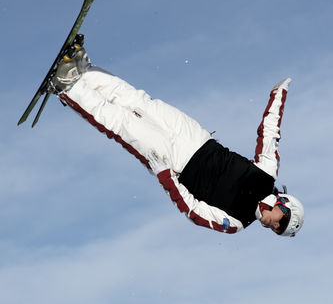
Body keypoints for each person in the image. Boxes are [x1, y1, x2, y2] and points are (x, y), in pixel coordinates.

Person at [50, 35, 304, 237]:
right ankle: (83, 69)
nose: (273, 227)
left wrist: (165, 176)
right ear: (284, 206)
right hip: (196, 138)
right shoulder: (267, 173)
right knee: (139, 101)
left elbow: (194, 211)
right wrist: (278, 93)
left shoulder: (237, 221)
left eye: (276, 231)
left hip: (175, 163)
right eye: (280, 223)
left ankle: (67, 86)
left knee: (121, 124)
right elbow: (270, 132)